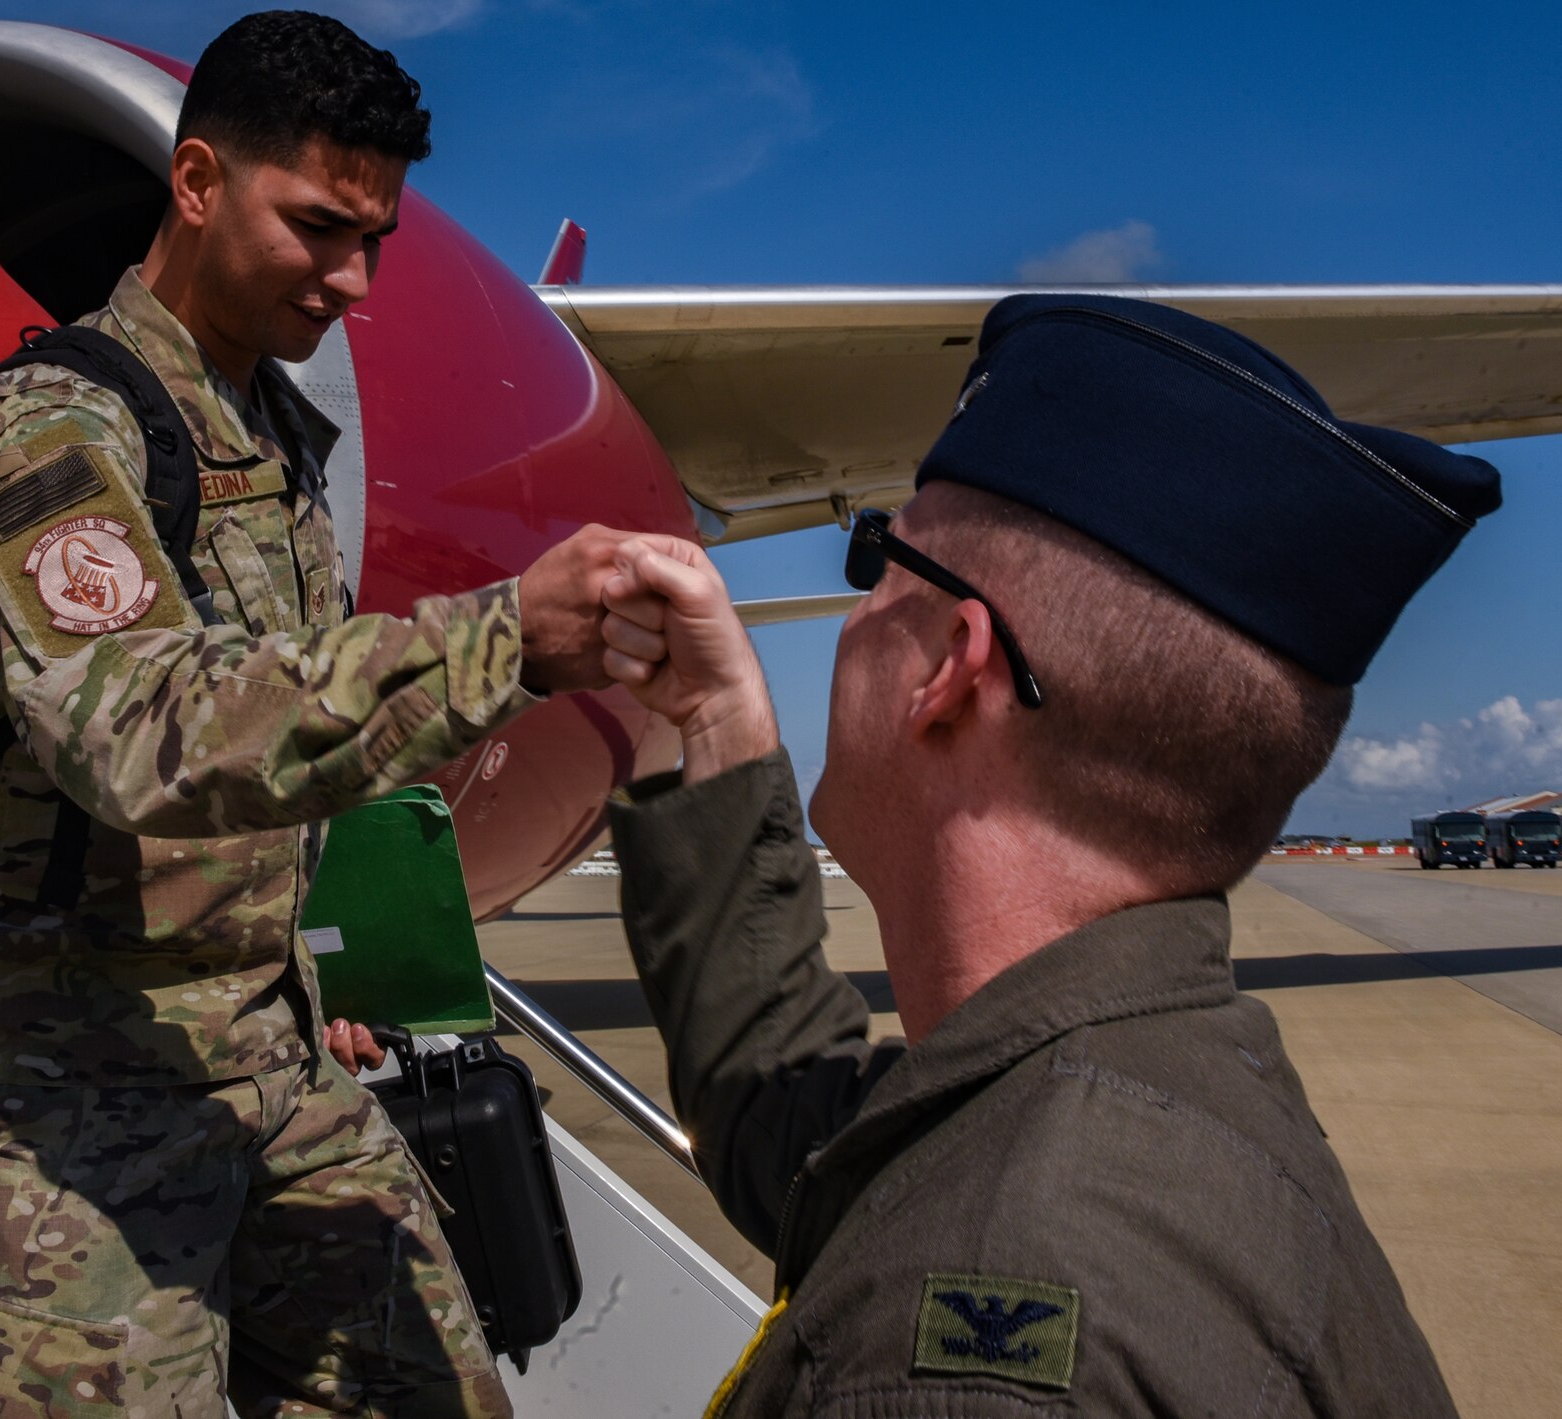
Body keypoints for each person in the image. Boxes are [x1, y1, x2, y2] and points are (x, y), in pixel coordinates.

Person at [0, 13, 622, 1416]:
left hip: (264, 1043)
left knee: (436, 1389)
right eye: (320, 227)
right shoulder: (49, 439)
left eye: (376, 239)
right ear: (201, 182)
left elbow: (289, 719)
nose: (355, 279)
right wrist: (505, 640)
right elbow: (141, 729)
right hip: (64, 1089)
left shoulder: (266, 435)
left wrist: (317, 969)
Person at [595, 293, 1488, 1416]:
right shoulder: (1154, 1100)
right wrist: (719, 723)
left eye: (878, 565)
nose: (852, 615)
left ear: (950, 671)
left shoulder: (973, 1325)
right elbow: (810, 1142)